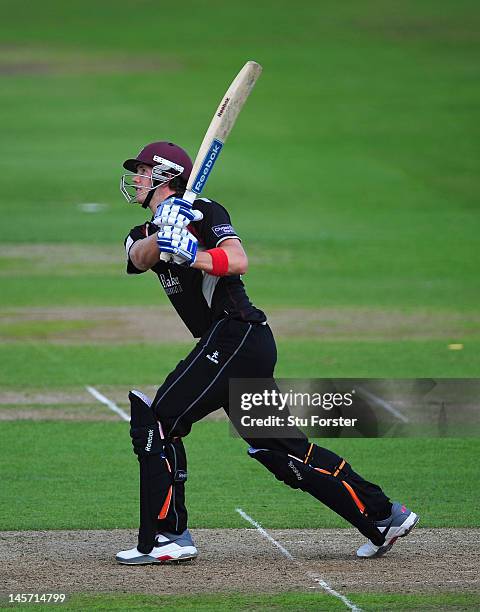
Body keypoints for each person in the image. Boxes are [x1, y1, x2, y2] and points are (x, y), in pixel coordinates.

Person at [115, 141, 419, 565]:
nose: (137, 178)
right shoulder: (143, 231)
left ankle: (168, 537)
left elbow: (237, 261)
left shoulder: (205, 211)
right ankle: (383, 516)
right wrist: (165, 234)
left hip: (236, 335)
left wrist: (192, 252)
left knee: (159, 420)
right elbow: (138, 257)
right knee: (282, 450)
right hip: (234, 344)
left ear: (166, 175)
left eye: (144, 171)